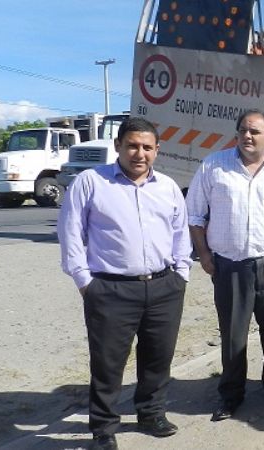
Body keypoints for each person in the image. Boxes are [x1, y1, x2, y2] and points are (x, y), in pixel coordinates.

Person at [58, 117, 191, 450]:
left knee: (158, 356)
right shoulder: (91, 182)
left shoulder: (168, 187)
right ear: (117, 146)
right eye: (132, 145)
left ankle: (151, 413)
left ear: (157, 150)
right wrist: (85, 281)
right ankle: (103, 428)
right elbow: (70, 232)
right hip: (110, 290)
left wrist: (181, 274)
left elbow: (180, 234)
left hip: (163, 288)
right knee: (107, 362)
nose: (139, 153)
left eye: (147, 147)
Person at [186, 109, 264, 422]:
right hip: (230, 267)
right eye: (243, 130)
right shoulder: (214, 166)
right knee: (232, 335)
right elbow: (195, 215)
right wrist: (203, 254)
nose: (247, 136)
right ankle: (231, 395)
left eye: (255, 131)